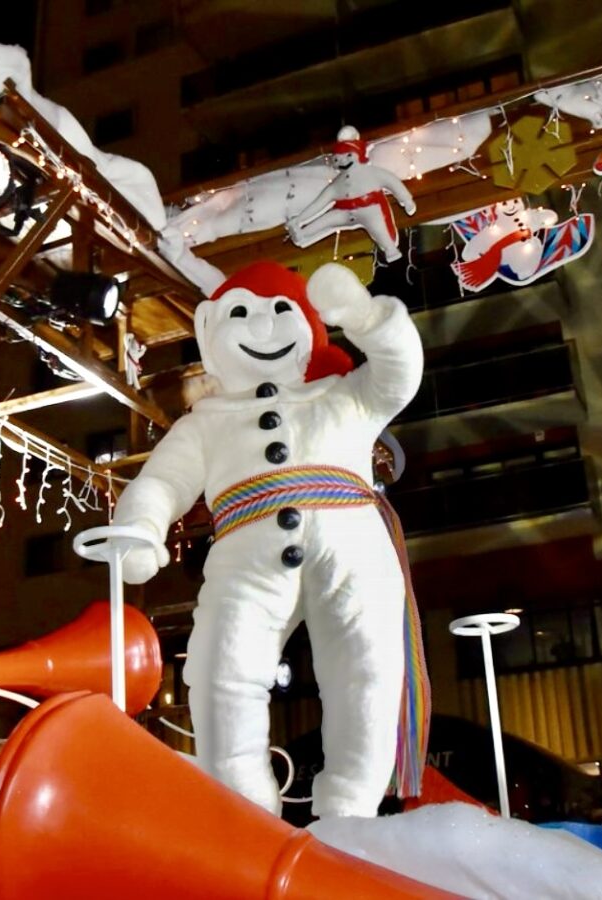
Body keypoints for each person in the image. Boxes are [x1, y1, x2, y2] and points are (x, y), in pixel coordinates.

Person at [114, 261, 426, 818]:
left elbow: (400, 373)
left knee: (367, 671)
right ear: (211, 331)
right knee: (220, 672)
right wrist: (142, 527)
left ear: (308, 329)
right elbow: (162, 482)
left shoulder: (343, 395)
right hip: (245, 563)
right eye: (241, 315)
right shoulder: (205, 423)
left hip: (355, 549)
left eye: (281, 311)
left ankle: (352, 814)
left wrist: (365, 317)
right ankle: (246, 814)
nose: (262, 327)